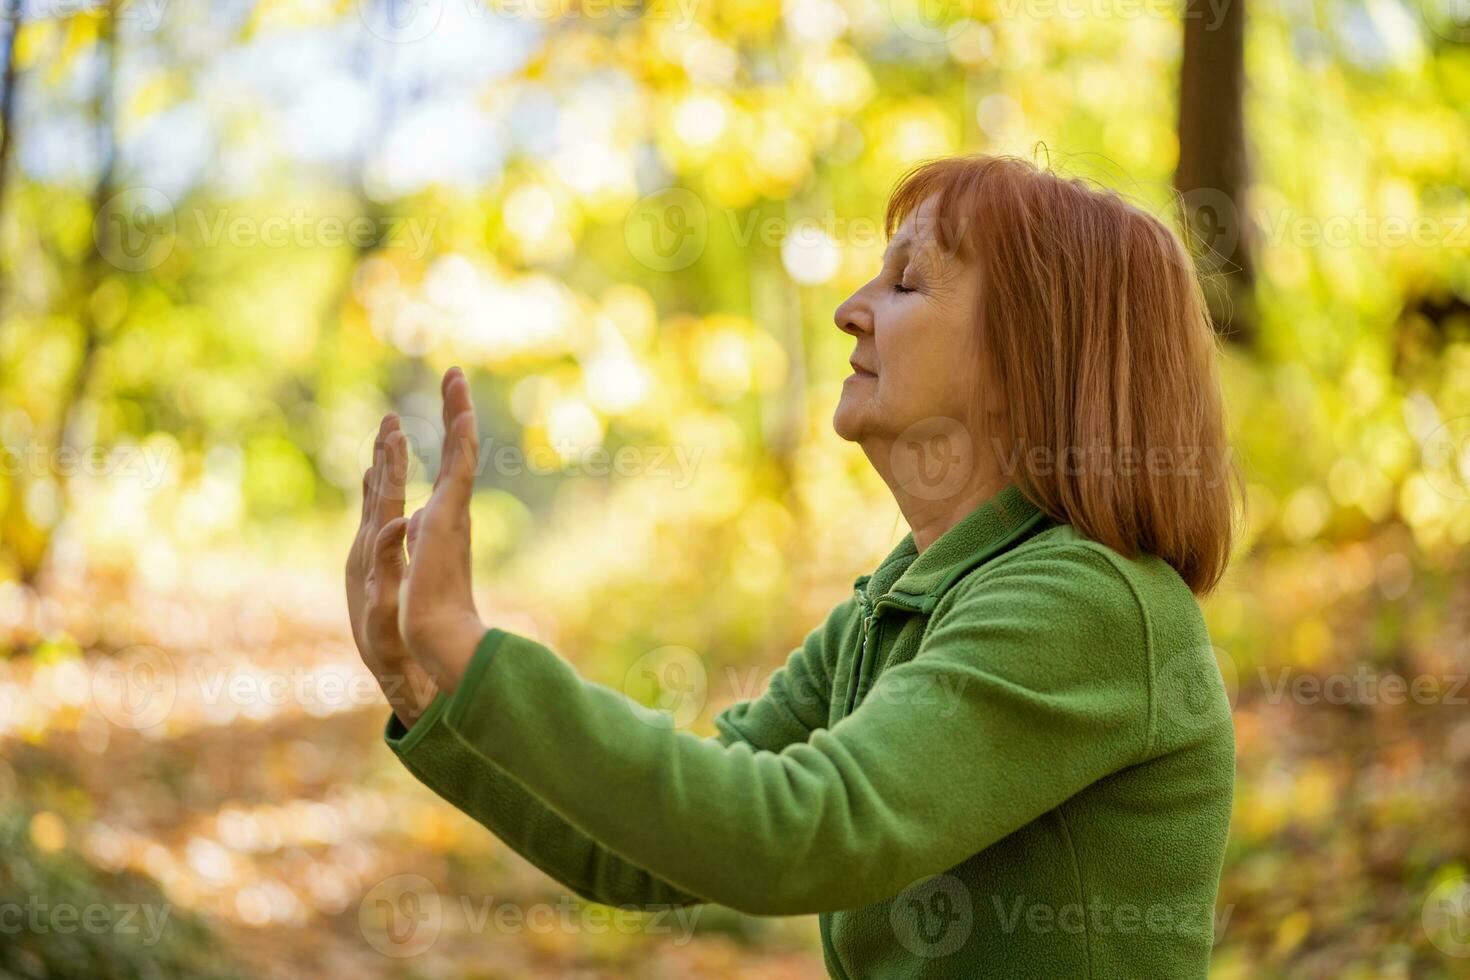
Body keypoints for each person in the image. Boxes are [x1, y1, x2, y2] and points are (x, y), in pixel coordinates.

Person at [345, 153, 1239, 978]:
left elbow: (791, 834)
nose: (852, 306)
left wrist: (471, 645)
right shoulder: (896, 606)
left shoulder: (1088, 604)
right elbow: (648, 846)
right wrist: (424, 688)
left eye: (907, 281)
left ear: (1033, 354)